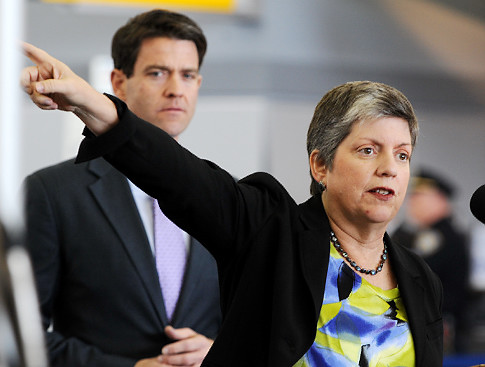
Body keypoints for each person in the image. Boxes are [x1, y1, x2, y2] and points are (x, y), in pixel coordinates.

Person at [21, 41, 444, 366]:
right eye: (369, 150)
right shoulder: (269, 232)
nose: (390, 167)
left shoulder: (420, 277)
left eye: (402, 154)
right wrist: (89, 104)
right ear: (321, 165)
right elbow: (179, 177)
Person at [23, 10, 221, 367]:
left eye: (187, 75)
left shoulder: (226, 196)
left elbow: (258, 322)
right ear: (118, 82)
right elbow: (22, 336)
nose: (176, 88)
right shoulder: (52, 194)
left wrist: (220, 352)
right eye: (158, 72)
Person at [391, 169, 469, 353]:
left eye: (420, 196)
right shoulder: (414, 234)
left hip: (438, 325)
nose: (412, 202)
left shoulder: (446, 238)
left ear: (441, 200)